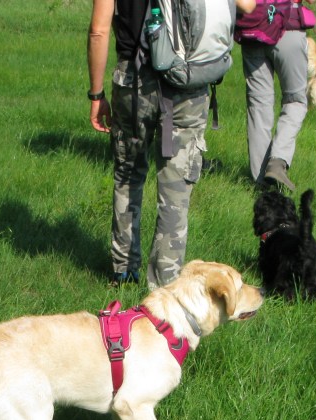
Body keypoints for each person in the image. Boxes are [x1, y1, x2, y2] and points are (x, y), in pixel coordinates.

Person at [87, 0, 221, 288]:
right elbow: (245, 6)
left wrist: (96, 95)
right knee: (177, 186)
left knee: (129, 174)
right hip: (189, 80)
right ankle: (165, 285)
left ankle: (124, 271)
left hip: (135, 81)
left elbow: (99, 30)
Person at [235, 0, 310, 191]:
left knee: (258, 106)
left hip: (252, 32)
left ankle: (261, 184)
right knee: (295, 101)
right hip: (288, 30)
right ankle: (278, 162)